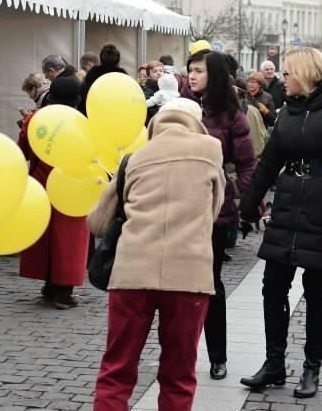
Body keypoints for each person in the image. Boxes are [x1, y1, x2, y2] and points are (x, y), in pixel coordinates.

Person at [89, 98, 225, 411]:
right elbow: (214, 211)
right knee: (178, 373)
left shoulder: (134, 159)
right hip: (188, 275)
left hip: (131, 274)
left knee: (117, 369)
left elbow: (97, 224)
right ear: (197, 123)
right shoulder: (210, 153)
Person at [239, 48, 322, 399]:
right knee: (273, 285)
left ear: (305, 75)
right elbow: (269, 161)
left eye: (289, 73)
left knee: (318, 290)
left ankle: (311, 369)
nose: (284, 79)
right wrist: (247, 206)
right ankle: (274, 363)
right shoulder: (289, 112)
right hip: (288, 208)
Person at [185, 50, 256, 380]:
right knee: (178, 285)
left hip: (214, 206)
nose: (192, 75)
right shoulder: (179, 108)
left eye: (198, 70)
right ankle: (181, 353)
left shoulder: (231, 115)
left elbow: (246, 163)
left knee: (210, 283)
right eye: (190, 70)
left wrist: (248, 203)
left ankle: (217, 356)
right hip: (178, 204)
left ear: (213, 73)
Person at [18, 74, 90, 309]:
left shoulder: (35, 119)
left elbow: (24, 151)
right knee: (68, 239)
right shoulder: (80, 122)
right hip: (72, 185)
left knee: (45, 236)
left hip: (40, 184)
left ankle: (49, 285)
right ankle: (63, 291)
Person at [78, 44, 127, 115]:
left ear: (101, 59)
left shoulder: (93, 73)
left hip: (95, 113)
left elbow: (84, 95)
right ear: (118, 60)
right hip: (116, 114)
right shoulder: (122, 75)